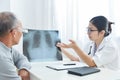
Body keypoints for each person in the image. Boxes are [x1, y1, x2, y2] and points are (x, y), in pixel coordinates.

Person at [0, 12, 31, 80]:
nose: (22, 33)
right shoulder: (2, 57)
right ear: (14, 33)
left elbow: (22, 58)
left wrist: (23, 69)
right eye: (22, 30)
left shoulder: (6, 48)